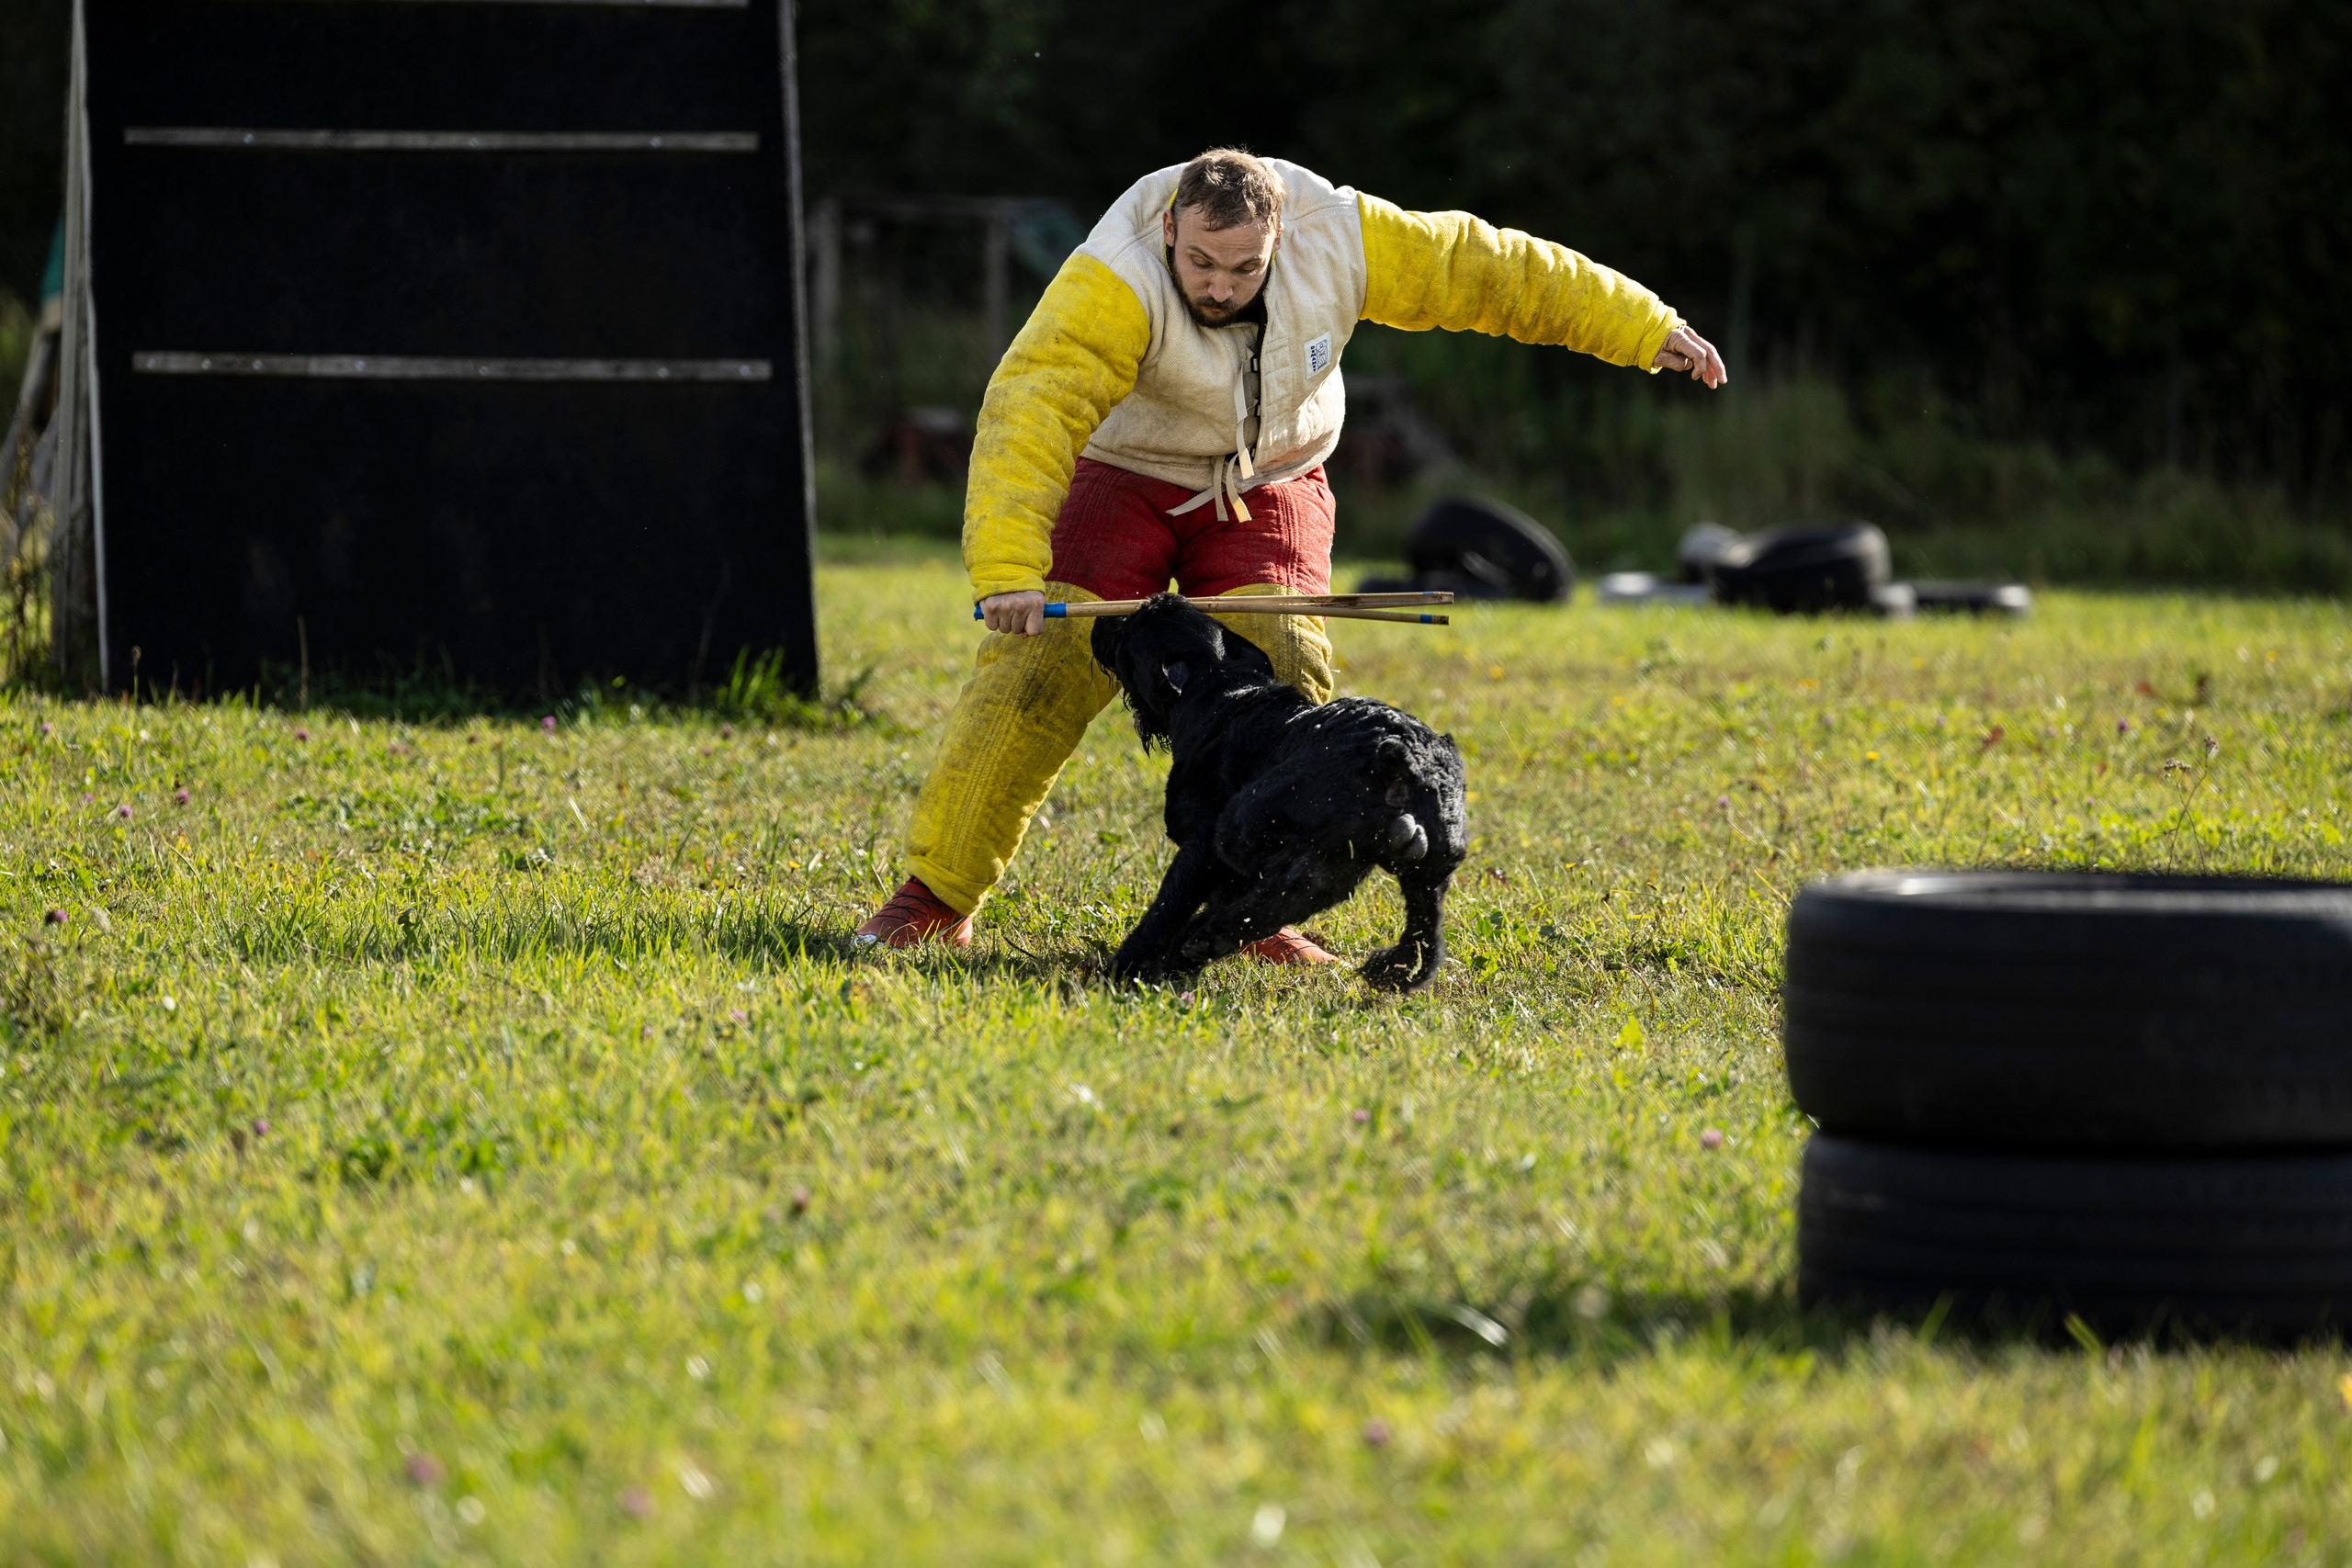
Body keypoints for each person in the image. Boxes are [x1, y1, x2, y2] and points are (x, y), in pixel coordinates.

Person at [856, 148, 1724, 954]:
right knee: (1038, 663)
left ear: (1279, 236)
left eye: (1244, 266)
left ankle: (1265, 904)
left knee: (1285, 665)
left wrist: (1644, 327)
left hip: (1271, 474)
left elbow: (1485, 269)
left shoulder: (1339, 236)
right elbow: (1032, 406)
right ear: (1170, 229)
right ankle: (936, 895)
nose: (1221, 285)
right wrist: (1009, 573)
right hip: (1123, 468)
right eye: (1200, 263)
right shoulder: (1113, 274)